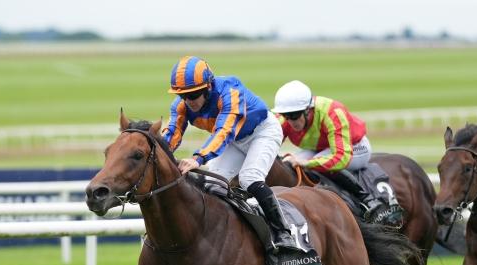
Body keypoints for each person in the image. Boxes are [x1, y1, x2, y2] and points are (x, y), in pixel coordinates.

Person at [161, 55, 299, 252]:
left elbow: (224, 132)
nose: (188, 101)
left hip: (263, 131)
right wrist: (157, 155)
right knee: (213, 184)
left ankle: (283, 232)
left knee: (249, 178)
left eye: (193, 95)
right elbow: (171, 135)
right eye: (182, 96)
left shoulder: (230, 92)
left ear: (208, 87)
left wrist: (197, 158)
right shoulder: (181, 105)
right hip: (235, 140)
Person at [271, 80, 381, 218]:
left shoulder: (333, 112)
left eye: (295, 115)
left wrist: (307, 163)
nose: (291, 121)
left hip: (355, 147)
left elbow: (341, 158)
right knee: (289, 164)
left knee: (311, 163)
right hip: (320, 149)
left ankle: (367, 199)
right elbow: (267, 147)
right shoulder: (284, 120)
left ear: (308, 110)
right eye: (286, 116)